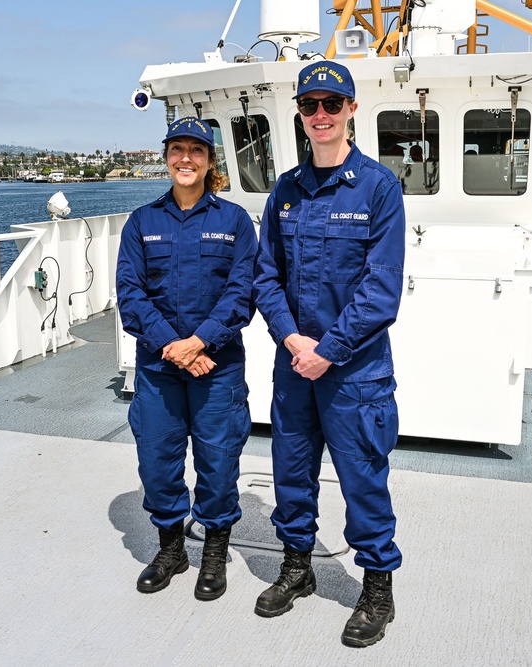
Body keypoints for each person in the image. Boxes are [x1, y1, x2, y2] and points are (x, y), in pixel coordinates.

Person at [252, 61, 406, 648]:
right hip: (295, 366)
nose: (320, 115)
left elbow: (381, 287)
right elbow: (267, 277)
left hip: (355, 370)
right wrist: (294, 341)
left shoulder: (377, 188)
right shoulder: (285, 192)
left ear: (350, 111)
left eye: (331, 104)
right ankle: (298, 568)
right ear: (300, 113)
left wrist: (329, 350)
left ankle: (376, 587)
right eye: (310, 105)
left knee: (363, 475)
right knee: (291, 472)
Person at [116, 116, 257, 601]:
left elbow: (241, 294)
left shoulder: (234, 221)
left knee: (218, 462)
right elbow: (131, 295)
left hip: (216, 367)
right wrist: (175, 348)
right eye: (177, 149)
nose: (186, 159)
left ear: (210, 160)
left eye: (196, 151)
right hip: (160, 370)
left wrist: (199, 343)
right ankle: (172, 548)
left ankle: (214, 552)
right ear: (166, 157)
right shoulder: (142, 222)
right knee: (157, 461)